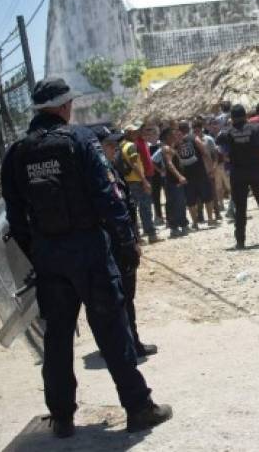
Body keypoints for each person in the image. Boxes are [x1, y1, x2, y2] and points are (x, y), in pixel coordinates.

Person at [0, 78, 171, 437]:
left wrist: (40, 252)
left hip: (49, 256)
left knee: (57, 338)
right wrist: (125, 243)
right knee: (112, 330)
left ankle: (62, 417)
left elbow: (15, 218)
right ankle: (139, 407)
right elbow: (107, 195)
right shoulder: (79, 141)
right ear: (64, 107)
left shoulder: (17, 152)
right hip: (89, 250)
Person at [92, 125, 158, 360]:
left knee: (120, 298)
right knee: (120, 298)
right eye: (109, 145)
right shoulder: (99, 173)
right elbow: (117, 209)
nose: (114, 148)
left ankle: (123, 342)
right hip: (114, 245)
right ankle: (129, 344)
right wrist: (130, 241)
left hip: (118, 242)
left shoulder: (109, 169)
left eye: (114, 144)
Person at [216, 104, 259, 249]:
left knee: (240, 209)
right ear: (245, 115)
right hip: (256, 171)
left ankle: (240, 240)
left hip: (238, 174)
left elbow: (218, 140)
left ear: (232, 118)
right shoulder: (257, 129)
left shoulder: (228, 132)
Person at [120, 125, 160, 244]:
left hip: (128, 181)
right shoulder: (131, 146)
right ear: (129, 133)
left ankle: (137, 237)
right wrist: (144, 180)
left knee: (133, 210)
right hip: (136, 180)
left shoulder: (122, 145)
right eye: (135, 132)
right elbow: (135, 165)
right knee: (146, 208)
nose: (137, 133)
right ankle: (151, 234)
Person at [174, 121, 216, 229]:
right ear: (188, 128)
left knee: (190, 200)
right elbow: (205, 153)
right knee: (207, 197)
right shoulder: (195, 138)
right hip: (200, 172)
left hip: (187, 175)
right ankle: (210, 219)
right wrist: (211, 168)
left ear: (179, 130)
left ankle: (195, 223)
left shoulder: (176, 143)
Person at [159, 127, 190, 238]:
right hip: (173, 182)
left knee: (179, 203)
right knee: (177, 204)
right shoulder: (167, 148)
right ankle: (177, 227)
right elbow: (169, 165)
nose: (175, 136)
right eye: (172, 135)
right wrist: (179, 176)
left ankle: (180, 225)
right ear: (167, 136)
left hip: (174, 181)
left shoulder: (171, 147)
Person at [194, 118, 223, 221]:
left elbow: (215, 154)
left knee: (212, 192)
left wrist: (214, 167)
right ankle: (200, 215)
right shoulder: (193, 141)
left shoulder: (208, 139)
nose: (197, 132)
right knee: (198, 194)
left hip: (209, 169)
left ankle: (217, 212)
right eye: (195, 131)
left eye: (198, 130)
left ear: (201, 129)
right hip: (198, 171)